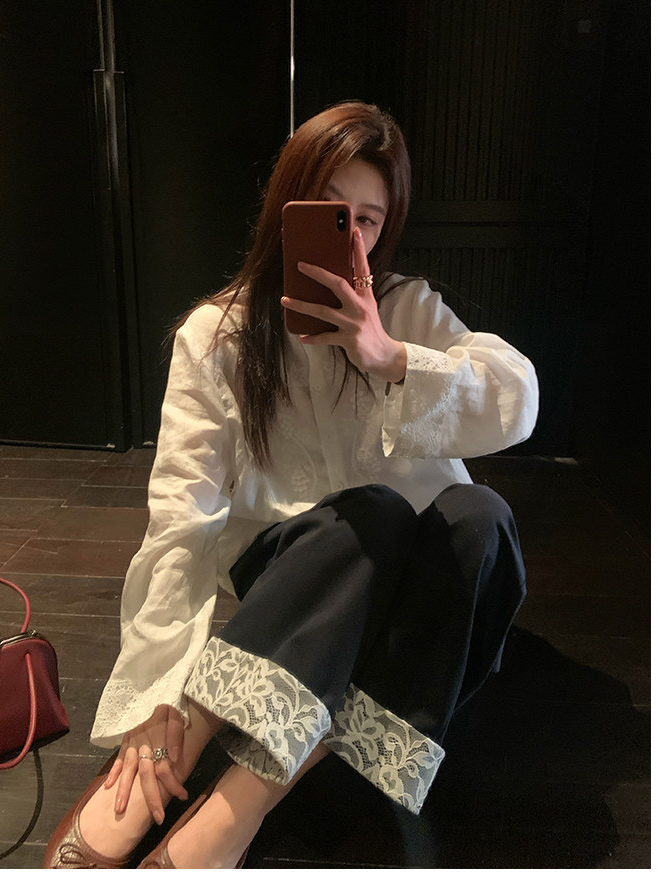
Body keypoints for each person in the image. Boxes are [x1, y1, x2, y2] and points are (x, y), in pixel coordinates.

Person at [45, 101, 538, 869]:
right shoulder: (218, 334)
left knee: (481, 516)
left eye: (368, 220)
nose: (353, 238)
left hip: (411, 588)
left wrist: (388, 356)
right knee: (370, 515)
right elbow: (180, 518)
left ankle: (240, 803)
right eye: (330, 214)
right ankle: (183, 738)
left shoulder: (404, 309)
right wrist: (154, 693)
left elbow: (519, 396)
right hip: (295, 578)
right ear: (287, 206)